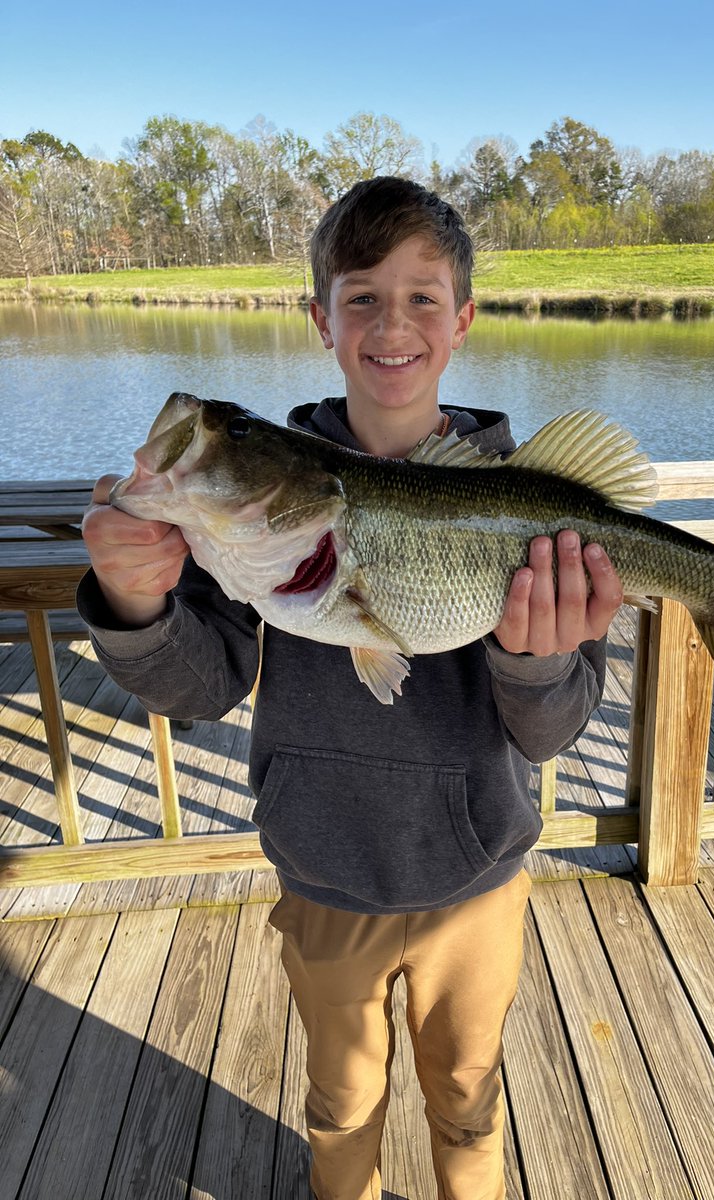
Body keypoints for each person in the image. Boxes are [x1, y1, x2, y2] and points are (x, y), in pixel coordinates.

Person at [77, 176, 623, 1200]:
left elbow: (548, 735)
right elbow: (201, 688)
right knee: (342, 1108)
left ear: (462, 320)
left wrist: (539, 658)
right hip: (323, 870)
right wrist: (135, 605)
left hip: (479, 879)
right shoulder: (248, 531)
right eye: (361, 295)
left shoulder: (530, 507)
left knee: (469, 1098)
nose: (392, 323)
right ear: (319, 316)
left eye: (423, 297)